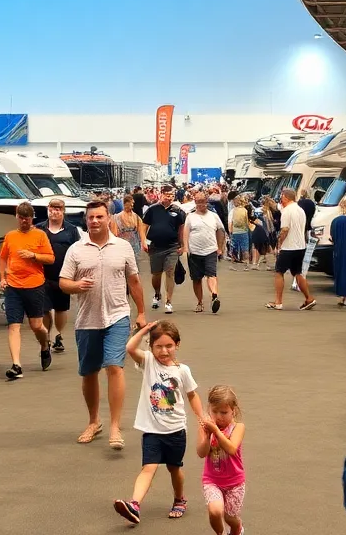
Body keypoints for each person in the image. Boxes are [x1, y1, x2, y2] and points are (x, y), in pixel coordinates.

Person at [60, 200, 147, 450]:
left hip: (117, 315)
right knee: (88, 373)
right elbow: (64, 282)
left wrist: (140, 312)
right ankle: (93, 421)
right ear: (86, 221)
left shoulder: (122, 247)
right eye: (91, 218)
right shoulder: (76, 250)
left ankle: (115, 426)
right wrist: (76, 286)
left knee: (114, 367)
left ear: (109, 218)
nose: (95, 221)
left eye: (99, 217)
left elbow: (134, 281)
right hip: (87, 319)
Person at [113, 320, 203, 525]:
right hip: (151, 430)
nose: (164, 351)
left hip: (176, 430)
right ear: (151, 347)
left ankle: (180, 499)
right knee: (149, 467)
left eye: (169, 346)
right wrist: (145, 330)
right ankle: (134, 504)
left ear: (177, 345)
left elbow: (192, 395)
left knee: (174, 468)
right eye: (158, 346)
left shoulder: (182, 371)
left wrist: (201, 418)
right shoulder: (148, 362)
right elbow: (129, 347)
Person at [0, 201, 55, 380]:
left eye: (27, 218)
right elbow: (2, 258)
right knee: (13, 325)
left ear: (32, 218)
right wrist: (2, 278)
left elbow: (51, 258)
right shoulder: (10, 236)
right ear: (17, 217)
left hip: (34, 285)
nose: (24, 222)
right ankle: (16, 365)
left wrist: (34, 256)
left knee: (36, 326)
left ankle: (45, 346)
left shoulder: (40, 235)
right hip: (13, 286)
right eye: (21, 218)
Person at [197, 386, 246, 535]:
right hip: (212, 480)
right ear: (209, 409)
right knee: (215, 511)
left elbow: (231, 449)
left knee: (230, 517)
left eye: (224, 412)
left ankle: (237, 528)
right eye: (214, 411)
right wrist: (206, 437)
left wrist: (216, 432)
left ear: (233, 411)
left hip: (234, 482)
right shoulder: (205, 428)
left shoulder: (238, 427)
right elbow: (201, 453)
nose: (219, 416)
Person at [38, 198, 82, 355]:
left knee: (61, 308)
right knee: (44, 309)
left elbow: (77, 251)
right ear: (47, 209)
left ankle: (58, 333)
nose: (54, 211)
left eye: (58, 209)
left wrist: (77, 273)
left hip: (64, 275)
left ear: (63, 211)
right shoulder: (39, 229)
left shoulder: (71, 230)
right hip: (42, 276)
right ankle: (48, 336)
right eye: (52, 208)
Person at [266, 188, 315, 311]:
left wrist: (279, 243)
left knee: (279, 272)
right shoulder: (300, 210)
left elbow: (285, 230)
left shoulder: (287, 211)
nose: (280, 199)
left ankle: (278, 302)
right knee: (297, 273)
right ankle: (309, 298)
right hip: (300, 246)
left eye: (282, 196)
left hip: (289, 247)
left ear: (286, 197)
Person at [143, 185, 188, 315]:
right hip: (155, 247)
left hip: (172, 247)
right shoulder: (152, 209)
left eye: (171, 195)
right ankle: (157, 294)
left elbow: (181, 229)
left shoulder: (178, 211)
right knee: (156, 274)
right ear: (161, 194)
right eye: (167, 195)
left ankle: (169, 301)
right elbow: (144, 226)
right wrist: (143, 241)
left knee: (170, 272)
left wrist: (182, 245)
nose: (169, 198)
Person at [186, 190, 226, 314]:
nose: (201, 204)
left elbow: (220, 230)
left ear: (207, 202)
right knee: (196, 279)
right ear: (195, 202)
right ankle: (200, 302)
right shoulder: (190, 216)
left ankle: (214, 295)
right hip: (194, 252)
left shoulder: (213, 216)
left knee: (211, 274)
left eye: (203, 202)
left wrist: (220, 247)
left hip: (210, 250)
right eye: (198, 202)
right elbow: (185, 233)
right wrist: (186, 248)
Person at [113, 194, 145, 261]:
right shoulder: (116, 217)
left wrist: (144, 243)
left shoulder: (136, 217)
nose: (132, 205)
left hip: (135, 246)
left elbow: (141, 231)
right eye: (131, 203)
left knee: (134, 264)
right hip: (122, 245)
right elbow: (114, 234)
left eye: (133, 203)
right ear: (125, 203)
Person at [229, 195, 252, 270]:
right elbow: (247, 221)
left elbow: (230, 222)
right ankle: (247, 265)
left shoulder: (233, 211)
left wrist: (230, 232)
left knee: (234, 249)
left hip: (235, 232)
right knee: (245, 249)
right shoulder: (245, 210)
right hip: (244, 231)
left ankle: (233, 265)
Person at [261, 196, 280, 271]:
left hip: (269, 231)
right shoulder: (275, 212)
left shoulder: (266, 212)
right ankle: (275, 263)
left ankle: (273, 264)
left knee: (272, 247)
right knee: (275, 247)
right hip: (274, 231)